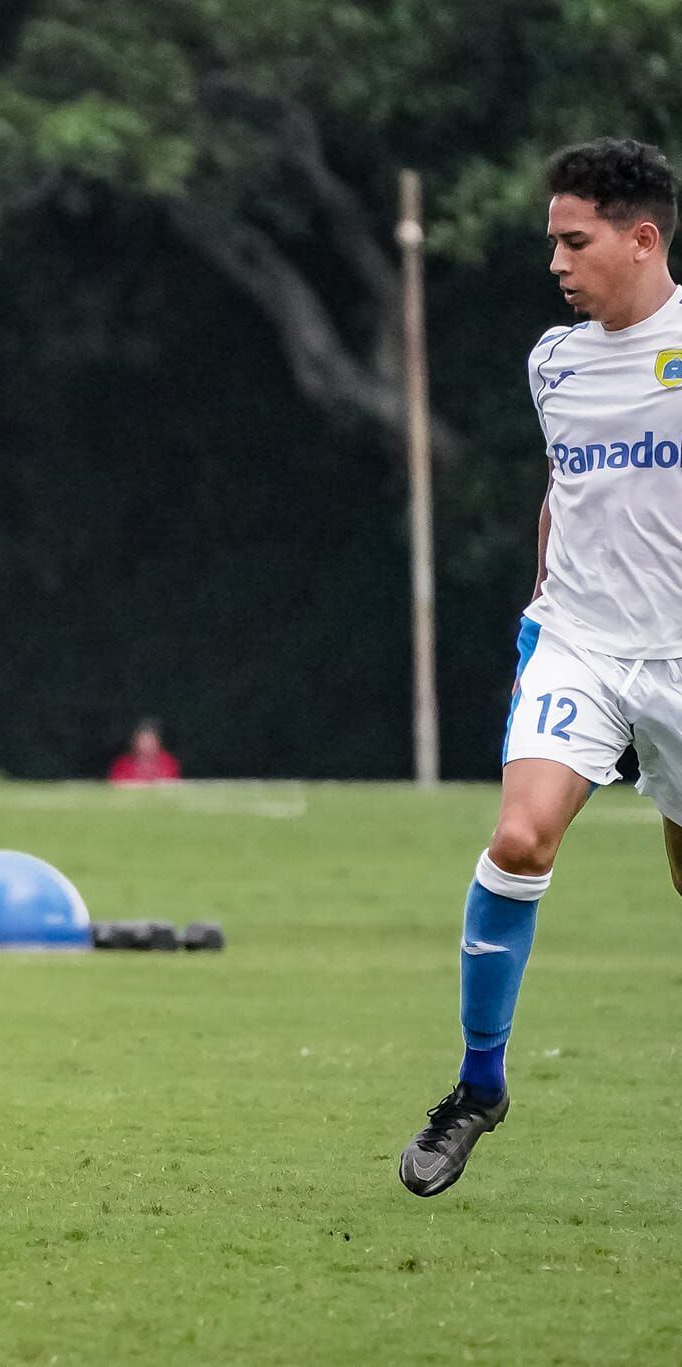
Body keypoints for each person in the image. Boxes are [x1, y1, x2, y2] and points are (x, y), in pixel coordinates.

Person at [398, 138, 682, 1198]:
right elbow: (564, 491)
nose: (555, 262)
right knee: (517, 836)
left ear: (639, 237)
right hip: (576, 640)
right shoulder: (551, 360)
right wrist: (542, 613)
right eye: (551, 241)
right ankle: (477, 1086)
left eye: (574, 240)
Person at [107, 719, 181, 785]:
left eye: (150, 740)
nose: (147, 744)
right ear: (134, 742)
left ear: (158, 742)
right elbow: (115, 787)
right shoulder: (121, 764)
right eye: (142, 740)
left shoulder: (169, 763)